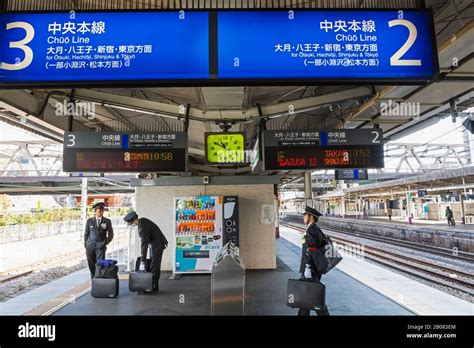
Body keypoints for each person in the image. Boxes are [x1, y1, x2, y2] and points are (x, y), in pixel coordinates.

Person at [298, 206, 330, 316]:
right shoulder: (316, 229)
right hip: (315, 268)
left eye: (305, 215)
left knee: (313, 297)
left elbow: (310, 250)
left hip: (310, 269)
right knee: (307, 297)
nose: (304, 218)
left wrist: (307, 267)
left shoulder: (311, 230)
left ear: (311, 217)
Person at [124, 211, 168, 292]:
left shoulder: (142, 227)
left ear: (134, 220)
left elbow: (144, 245)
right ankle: (153, 285)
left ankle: (153, 286)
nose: (132, 225)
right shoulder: (142, 221)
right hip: (155, 243)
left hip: (157, 245)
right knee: (153, 263)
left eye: (131, 223)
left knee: (155, 265)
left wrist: (142, 262)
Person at [84, 202, 114, 278]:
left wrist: (105, 242)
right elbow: (86, 234)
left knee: (100, 264)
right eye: (99, 210)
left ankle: (99, 279)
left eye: (102, 210)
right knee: (91, 264)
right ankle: (93, 279)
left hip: (101, 247)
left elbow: (111, 234)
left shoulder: (107, 221)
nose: (101, 212)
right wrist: (86, 244)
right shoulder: (89, 221)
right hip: (90, 246)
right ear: (95, 211)